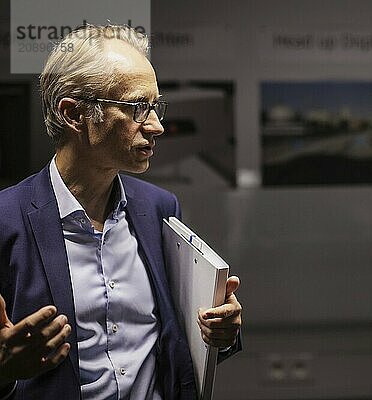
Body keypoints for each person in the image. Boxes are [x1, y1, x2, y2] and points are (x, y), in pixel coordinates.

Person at [0, 24, 242, 399]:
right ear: (74, 114)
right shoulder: (6, 220)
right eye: (137, 108)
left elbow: (175, 345)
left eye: (156, 106)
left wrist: (219, 333)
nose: (157, 126)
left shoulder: (159, 208)